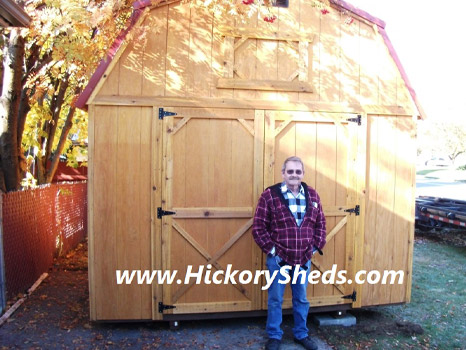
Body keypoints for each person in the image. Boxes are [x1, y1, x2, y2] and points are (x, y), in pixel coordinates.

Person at [252, 156, 326, 350]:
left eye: (298, 172)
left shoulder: (312, 195)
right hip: (278, 260)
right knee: (275, 299)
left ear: (302, 174)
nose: (294, 175)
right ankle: (274, 336)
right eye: (290, 171)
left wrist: (314, 247)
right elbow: (259, 227)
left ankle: (301, 334)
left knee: (301, 299)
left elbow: (321, 224)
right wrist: (273, 251)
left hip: (303, 259)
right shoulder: (269, 195)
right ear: (283, 173)